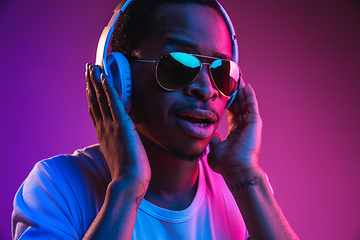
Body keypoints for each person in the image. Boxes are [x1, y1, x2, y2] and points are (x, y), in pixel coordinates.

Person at [12, 0, 299, 239]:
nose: (206, 89)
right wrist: (127, 188)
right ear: (120, 77)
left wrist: (246, 177)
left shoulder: (242, 190)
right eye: (178, 64)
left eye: (220, 71)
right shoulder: (57, 187)